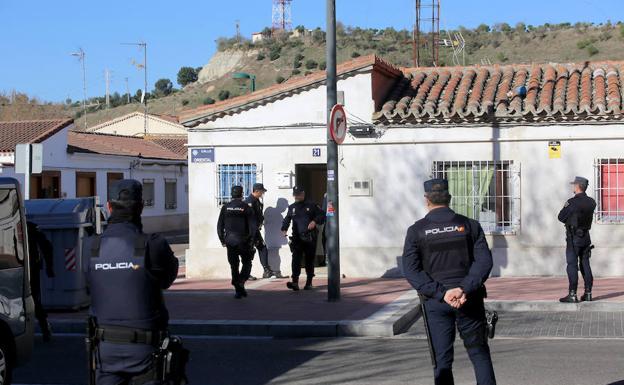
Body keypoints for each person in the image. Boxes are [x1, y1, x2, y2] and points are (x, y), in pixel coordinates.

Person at [402, 178, 496, 385]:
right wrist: (464, 289)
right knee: (479, 355)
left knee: (442, 362)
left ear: (426, 200)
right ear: (450, 198)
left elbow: (411, 270)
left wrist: (441, 293)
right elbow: (484, 262)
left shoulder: (416, 231)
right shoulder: (470, 225)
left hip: (436, 303)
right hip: (469, 299)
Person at [86, 179, 179, 384]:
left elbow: (89, 286)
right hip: (145, 349)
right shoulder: (154, 244)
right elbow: (167, 279)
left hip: (104, 348)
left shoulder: (91, 246)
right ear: (141, 207)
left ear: (109, 207)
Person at [558, 176, 597, 303]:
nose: (573, 187)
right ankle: (588, 293)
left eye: (574, 185)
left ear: (578, 186)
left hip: (573, 238)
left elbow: (561, 217)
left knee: (572, 265)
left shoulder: (572, 202)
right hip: (586, 237)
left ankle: (573, 294)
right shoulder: (592, 202)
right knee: (585, 264)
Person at [281, 186, 325, 291]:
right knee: (296, 260)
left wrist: (314, 221)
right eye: (295, 194)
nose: (297, 196)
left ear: (303, 194)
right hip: (297, 238)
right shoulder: (292, 207)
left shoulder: (312, 205)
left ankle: (309, 283)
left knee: (309, 260)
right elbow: (287, 219)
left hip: (310, 237)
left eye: (299, 194)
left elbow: (322, 215)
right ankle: (295, 282)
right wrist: (284, 229)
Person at [217, 185, 257, 299]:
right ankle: (241, 282)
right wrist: (252, 240)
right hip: (243, 241)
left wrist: (222, 240)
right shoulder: (246, 207)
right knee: (247, 263)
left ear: (231, 194)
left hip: (230, 241)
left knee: (234, 266)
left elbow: (219, 225)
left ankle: (239, 289)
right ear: (242, 194)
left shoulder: (225, 207)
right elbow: (252, 227)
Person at [244, 183, 285, 279]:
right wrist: (253, 231)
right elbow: (250, 218)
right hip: (250, 231)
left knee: (262, 248)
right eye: (262, 191)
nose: (263, 193)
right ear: (257, 191)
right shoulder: (250, 202)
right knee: (249, 251)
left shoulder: (256, 201)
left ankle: (267, 271)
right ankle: (247, 273)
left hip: (255, 230)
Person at [26, 221, 54, 342]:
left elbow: (46, 246)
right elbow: (46, 246)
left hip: (28, 269)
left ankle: (44, 328)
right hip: (29, 268)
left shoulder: (30, 227)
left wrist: (49, 266)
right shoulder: (30, 227)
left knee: (33, 300)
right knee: (33, 299)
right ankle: (44, 328)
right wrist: (49, 266)